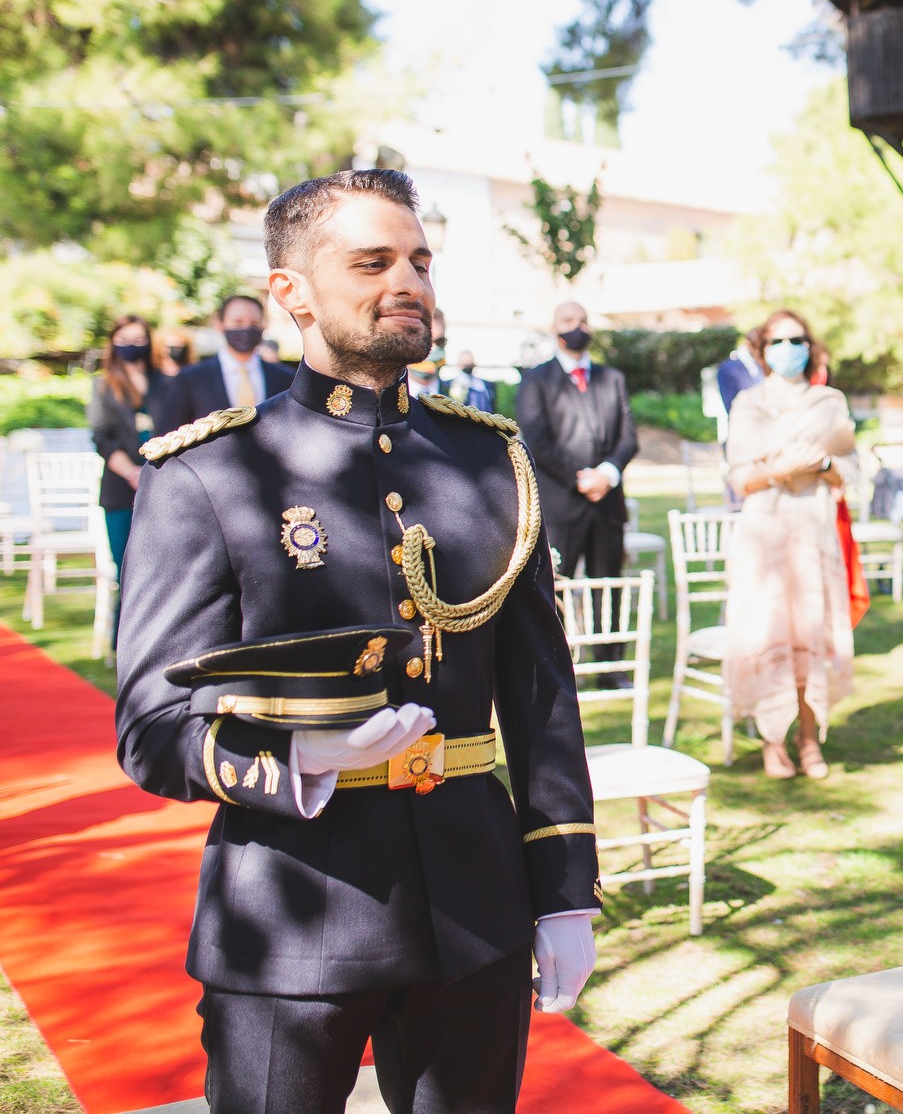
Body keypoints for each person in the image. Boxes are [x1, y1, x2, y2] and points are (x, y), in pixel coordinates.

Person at [115, 168, 599, 1114]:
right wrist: (293, 758)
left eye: (419, 259)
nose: (407, 281)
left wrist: (565, 885)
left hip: (474, 905)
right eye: (372, 261)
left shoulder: (495, 462)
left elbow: (540, 694)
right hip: (290, 911)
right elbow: (151, 724)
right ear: (288, 292)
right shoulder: (209, 474)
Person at [721, 311, 860, 780]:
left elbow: (851, 472)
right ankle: (772, 740)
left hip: (814, 533)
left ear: (809, 344)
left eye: (795, 338)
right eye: (776, 340)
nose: (787, 347)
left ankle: (808, 738)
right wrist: (780, 468)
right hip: (764, 539)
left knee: (811, 635)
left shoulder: (830, 401)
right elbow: (741, 478)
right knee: (768, 633)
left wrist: (820, 461)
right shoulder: (748, 403)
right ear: (762, 348)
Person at [514, 302, 639, 582]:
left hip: (608, 507)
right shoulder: (535, 381)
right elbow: (537, 441)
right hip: (560, 507)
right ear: (554, 328)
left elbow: (628, 438)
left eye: (583, 320)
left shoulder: (613, 379)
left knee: (608, 596)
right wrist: (580, 478)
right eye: (568, 320)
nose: (577, 327)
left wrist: (607, 474)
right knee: (556, 598)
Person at [87, 316, 170, 583]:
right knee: (127, 575)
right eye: (123, 340)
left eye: (137, 340)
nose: (131, 346)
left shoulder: (168, 383)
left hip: (164, 485)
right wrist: (133, 474)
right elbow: (102, 438)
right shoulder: (103, 386)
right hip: (121, 490)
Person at [162, 295, 296, 429]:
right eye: (238, 322)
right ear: (220, 326)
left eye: (254, 323)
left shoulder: (286, 378)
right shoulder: (190, 379)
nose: (246, 328)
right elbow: (168, 434)